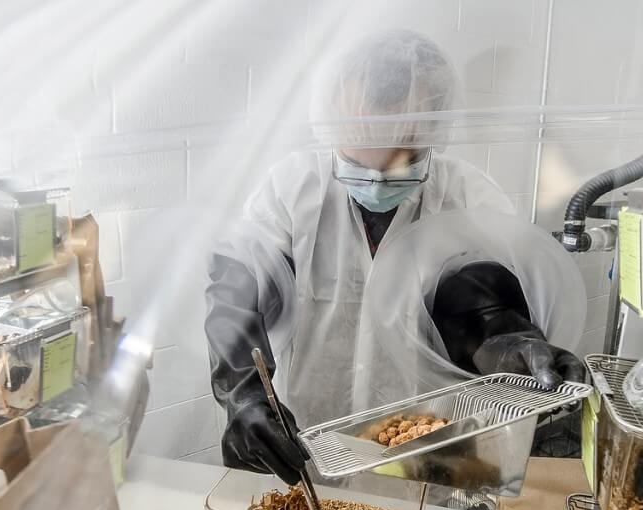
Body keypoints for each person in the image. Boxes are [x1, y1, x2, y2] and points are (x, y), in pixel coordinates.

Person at [206, 29, 584, 486]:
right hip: (314, 451)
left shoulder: (467, 198)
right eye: (360, 149)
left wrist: (510, 343)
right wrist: (244, 396)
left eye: (401, 149)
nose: (378, 174)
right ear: (334, 121)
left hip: (430, 457)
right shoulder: (291, 191)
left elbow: (481, 305)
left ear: (433, 126)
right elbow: (237, 298)